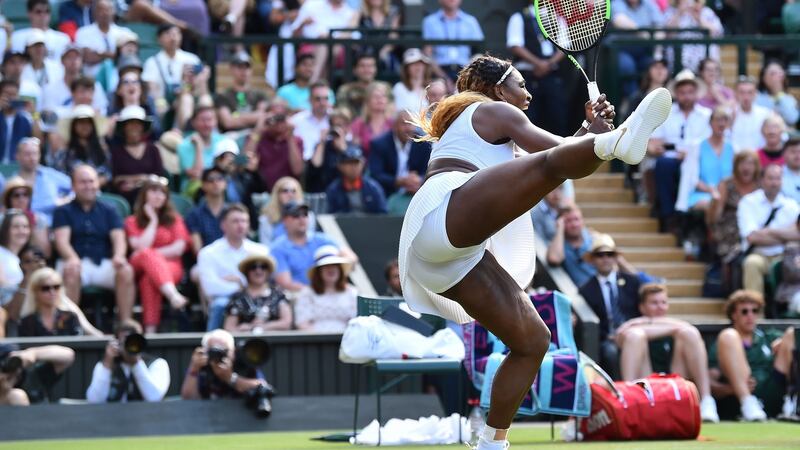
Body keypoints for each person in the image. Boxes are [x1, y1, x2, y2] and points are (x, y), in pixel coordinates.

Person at [397, 54, 670, 450]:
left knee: (533, 342)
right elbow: (554, 157)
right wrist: (602, 141)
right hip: (442, 217)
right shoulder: (491, 110)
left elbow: (552, 165)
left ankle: (493, 442)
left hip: (452, 257)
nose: (527, 93)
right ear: (497, 90)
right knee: (555, 164)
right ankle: (618, 141)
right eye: (520, 85)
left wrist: (590, 132)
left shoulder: (488, 127)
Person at [614, 283, 719, 422]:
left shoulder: (679, 329)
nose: (660, 307)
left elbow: (689, 330)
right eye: (654, 303)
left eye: (664, 302)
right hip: (647, 385)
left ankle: (706, 400)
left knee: (690, 333)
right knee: (635, 335)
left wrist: (653, 323)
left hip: (675, 382)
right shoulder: (635, 328)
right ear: (642, 307)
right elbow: (621, 335)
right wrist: (647, 322)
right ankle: (629, 400)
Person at [53, 165, 135, 320]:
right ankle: (70, 327)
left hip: (103, 262)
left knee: (126, 270)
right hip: (75, 262)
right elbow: (61, 241)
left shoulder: (109, 209)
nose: (88, 186)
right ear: (73, 186)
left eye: (91, 181)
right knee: (71, 270)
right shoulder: (63, 211)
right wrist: (71, 257)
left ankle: (125, 325)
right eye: (83, 182)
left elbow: (119, 238)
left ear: (98, 184)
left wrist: (119, 256)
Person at [709, 290, 796, 420]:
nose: (750, 316)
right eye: (744, 311)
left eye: (754, 311)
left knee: (791, 333)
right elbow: (709, 383)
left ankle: (793, 403)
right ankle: (748, 403)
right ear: (733, 315)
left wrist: (784, 342)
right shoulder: (724, 341)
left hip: (774, 392)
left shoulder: (769, 336)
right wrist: (730, 389)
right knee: (729, 336)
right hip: (741, 400)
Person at [124, 177, 190, 333]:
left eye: (162, 192)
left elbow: (178, 249)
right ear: (144, 195)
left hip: (171, 267)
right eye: (154, 191)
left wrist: (152, 255)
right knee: (146, 254)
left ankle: (150, 331)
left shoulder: (175, 220)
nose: (158, 196)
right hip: (139, 266)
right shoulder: (132, 221)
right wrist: (153, 220)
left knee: (150, 280)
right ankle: (173, 295)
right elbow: (140, 246)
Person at [647, 69, 711, 224]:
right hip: (672, 159)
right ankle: (668, 215)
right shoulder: (666, 114)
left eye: (690, 92)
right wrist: (656, 148)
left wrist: (690, 154)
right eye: (682, 92)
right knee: (662, 164)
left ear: (696, 93)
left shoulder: (707, 115)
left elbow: (708, 141)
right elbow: (654, 140)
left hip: (698, 161)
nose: (687, 96)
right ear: (676, 93)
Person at [578, 234, 642, 380]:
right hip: (607, 338)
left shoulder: (631, 281)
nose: (605, 258)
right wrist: (608, 335)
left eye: (610, 254)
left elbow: (642, 306)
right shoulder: (586, 289)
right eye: (600, 255)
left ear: (615, 258)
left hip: (633, 332)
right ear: (593, 260)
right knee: (610, 352)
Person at [197, 203, 270, 331]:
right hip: (226, 301)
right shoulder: (208, 253)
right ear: (223, 225)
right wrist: (242, 286)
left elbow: (268, 282)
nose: (241, 225)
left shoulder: (261, 251)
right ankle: (212, 344)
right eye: (235, 221)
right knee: (220, 304)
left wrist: (236, 283)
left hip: (259, 297)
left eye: (244, 221)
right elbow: (211, 288)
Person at [506, 2, 568, 135]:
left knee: (557, 118)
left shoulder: (557, 18)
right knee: (529, 118)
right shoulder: (519, 17)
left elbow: (564, 46)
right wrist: (538, 63)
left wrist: (548, 64)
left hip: (551, 76)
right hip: (526, 77)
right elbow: (515, 45)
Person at [738, 164, 800, 296]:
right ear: (761, 180)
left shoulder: (791, 205)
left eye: (778, 178)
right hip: (760, 254)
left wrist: (770, 231)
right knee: (751, 263)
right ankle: (755, 312)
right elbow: (752, 237)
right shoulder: (748, 202)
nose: (774, 183)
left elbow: (798, 234)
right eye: (770, 178)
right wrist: (787, 234)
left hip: (786, 255)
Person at [272, 201, 351, 292]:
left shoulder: (323, 239)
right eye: (296, 215)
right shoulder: (277, 248)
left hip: (330, 293)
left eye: (305, 214)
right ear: (285, 220)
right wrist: (316, 293)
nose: (302, 219)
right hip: (297, 297)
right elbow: (286, 284)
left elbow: (351, 257)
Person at [85, 319, 171, 403]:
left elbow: (155, 398)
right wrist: (107, 365)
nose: (129, 345)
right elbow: (94, 400)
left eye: (133, 341)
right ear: (117, 342)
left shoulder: (158, 364)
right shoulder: (105, 366)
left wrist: (136, 363)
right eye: (124, 341)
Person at [180, 328, 271, 400]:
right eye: (215, 351)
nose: (220, 356)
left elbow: (263, 388)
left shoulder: (243, 364)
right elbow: (188, 399)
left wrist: (231, 378)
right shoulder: (201, 367)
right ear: (206, 352)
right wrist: (193, 369)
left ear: (233, 352)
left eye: (225, 351)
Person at [677, 106, 734, 213]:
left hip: (727, 195)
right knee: (712, 204)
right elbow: (692, 178)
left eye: (725, 120)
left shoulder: (733, 148)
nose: (721, 124)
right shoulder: (697, 147)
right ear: (710, 123)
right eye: (718, 120)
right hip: (702, 195)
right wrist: (711, 190)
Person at [708, 151, 761, 265]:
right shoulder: (726, 184)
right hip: (731, 231)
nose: (746, 167)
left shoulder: (761, 185)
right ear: (736, 166)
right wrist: (715, 202)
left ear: (756, 167)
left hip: (755, 228)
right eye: (742, 163)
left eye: (750, 163)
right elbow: (714, 218)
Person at [18, 267, 103, 337]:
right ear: (35, 292)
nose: (52, 292)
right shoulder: (27, 322)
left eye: (56, 287)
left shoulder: (70, 317)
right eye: (45, 288)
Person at [224, 251, 292, 333]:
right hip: (245, 343)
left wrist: (261, 327)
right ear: (247, 271)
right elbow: (229, 327)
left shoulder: (279, 294)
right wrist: (245, 330)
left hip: (276, 342)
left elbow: (286, 323)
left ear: (268, 271)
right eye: (253, 267)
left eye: (263, 267)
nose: (258, 271)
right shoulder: (238, 297)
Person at [368, 110, 432, 198]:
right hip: (387, 194)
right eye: (404, 124)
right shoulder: (379, 144)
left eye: (411, 124)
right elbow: (376, 174)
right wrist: (399, 181)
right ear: (394, 126)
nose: (408, 128)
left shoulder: (423, 144)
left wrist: (418, 180)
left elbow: (428, 171)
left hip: (416, 194)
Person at [295, 245, 357, 332]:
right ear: (318, 271)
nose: (331, 269)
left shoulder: (352, 292)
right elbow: (302, 323)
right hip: (316, 341)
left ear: (340, 269)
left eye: (335, 265)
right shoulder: (307, 293)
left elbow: (357, 322)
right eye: (326, 266)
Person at [110, 105, 164, 206]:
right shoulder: (116, 152)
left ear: (143, 127)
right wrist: (140, 178)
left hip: (151, 196)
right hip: (125, 197)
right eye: (130, 123)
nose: (134, 127)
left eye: (137, 124)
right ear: (124, 127)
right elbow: (115, 179)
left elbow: (159, 176)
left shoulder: (153, 150)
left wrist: (142, 181)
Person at [422, 0, 484, 84]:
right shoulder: (430, 22)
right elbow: (427, 53)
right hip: (439, 71)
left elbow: (478, 52)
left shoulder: (470, 21)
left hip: (466, 70)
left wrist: (465, 76)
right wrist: (444, 78)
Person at [14, 137, 72, 226]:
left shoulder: (51, 175)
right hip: (24, 229)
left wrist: (65, 200)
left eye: (35, 153)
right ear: (17, 156)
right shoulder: (12, 182)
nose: (32, 158)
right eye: (27, 154)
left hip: (53, 228)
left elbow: (76, 187)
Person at [52, 105, 111, 185]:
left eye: (88, 122)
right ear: (74, 126)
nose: (85, 126)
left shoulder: (102, 151)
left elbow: (108, 174)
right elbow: (59, 177)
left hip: (100, 193)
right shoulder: (64, 153)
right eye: (81, 122)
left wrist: (94, 185)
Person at [0, 343, 75, 405]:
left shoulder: (33, 375)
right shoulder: (15, 395)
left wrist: (33, 353)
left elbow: (68, 355)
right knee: (16, 396)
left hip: (41, 420)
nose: (11, 369)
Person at [214, 52, 271, 134]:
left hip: (255, 136)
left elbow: (262, 116)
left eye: (247, 67)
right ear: (231, 69)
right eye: (240, 67)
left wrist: (236, 117)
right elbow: (228, 123)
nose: (244, 71)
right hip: (232, 138)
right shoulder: (223, 96)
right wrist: (253, 117)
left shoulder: (260, 94)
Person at [74, 0, 133, 78]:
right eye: (101, 9)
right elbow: (87, 57)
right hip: (92, 81)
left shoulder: (125, 33)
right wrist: (116, 55)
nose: (105, 13)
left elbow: (129, 57)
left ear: (114, 11)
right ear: (94, 12)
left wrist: (98, 53)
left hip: (120, 81)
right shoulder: (83, 32)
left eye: (108, 9)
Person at [326, 146, 387, 214]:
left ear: (363, 164)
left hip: (370, 224)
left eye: (356, 162)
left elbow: (383, 214)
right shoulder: (333, 190)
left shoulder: (373, 188)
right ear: (340, 166)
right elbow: (329, 216)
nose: (353, 167)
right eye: (349, 163)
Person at [546, 205, 597, 287]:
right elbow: (554, 259)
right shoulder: (559, 243)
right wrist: (559, 229)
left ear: (583, 221)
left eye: (577, 219)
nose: (574, 224)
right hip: (579, 295)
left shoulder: (594, 239)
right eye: (568, 221)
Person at [177, 105, 225, 192]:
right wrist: (199, 147)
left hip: (220, 186)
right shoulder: (184, 146)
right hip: (195, 191)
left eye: (210, 120)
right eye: (202, 120)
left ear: (216, 121)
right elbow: (197, 175)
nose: (206, 124)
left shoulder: (223, 141)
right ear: (193, 122)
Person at [0, 178, 50, 258]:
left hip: (31, 264)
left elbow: (46, 253)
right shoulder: (1, 219)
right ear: (8, 199)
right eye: (16, 195)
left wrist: (31, 225)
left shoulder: (39, 219)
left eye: (25, 195)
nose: (21, 199)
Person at [258, 177, 317, 244]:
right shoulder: (267, 218)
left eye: (294, 191)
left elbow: (309, 240)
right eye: (285, 191)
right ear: (277, 194)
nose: (290, 194)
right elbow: (265, 245)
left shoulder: (308, 216)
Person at [186, 167, 229, 253]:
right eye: (210, 180)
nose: (215, 183)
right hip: (206, 261)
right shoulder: (194, 214)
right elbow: (197, 249)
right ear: (203, 185)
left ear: (225, 184)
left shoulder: (232, 212)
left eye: (219, 179)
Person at [349, 82, 393, 158]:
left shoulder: (393, 123)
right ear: (368, 101)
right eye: (376, 96)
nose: (380, 99)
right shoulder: (358, 124)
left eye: (383, 96)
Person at [291, 81, 332, 161]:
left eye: (326, 98)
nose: (322, 103)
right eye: (318, 99)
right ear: (309, 100)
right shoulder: (297, 120)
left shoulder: (336, 119)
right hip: (304, 166)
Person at [731, 76, 772, 153]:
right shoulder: (729, 114)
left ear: (755, 94)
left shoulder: (765, 114)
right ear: (736, 93)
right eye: (742, 93)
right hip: (735, 159)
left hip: (759, 160)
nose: (746, 97)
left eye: (750, 92)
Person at [0, 211, 32, 306]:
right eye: (16, 227)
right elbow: (2, 286)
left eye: (25, 227)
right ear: (5, 230)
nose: (22, 231)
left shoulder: (20, 258)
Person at [755, 60, 799, 128]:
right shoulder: (756, 97)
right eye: (773, 74)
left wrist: (778, 94)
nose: (776, 78)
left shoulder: (789, 99)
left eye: (780, 74)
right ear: (763, 77)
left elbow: (792, 119)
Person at [0, 80, 34, 164]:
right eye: (7, 94)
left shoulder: (25, 119)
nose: (11, 98)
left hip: (17, 166)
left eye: (14, 95)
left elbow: (37, 140)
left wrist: (34, 113)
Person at [392, 49, 432, 116]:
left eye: (421, 64)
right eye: (413, 64)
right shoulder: (399, 88)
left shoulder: (431, 88)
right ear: (406, 68)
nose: (418, 67)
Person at [781, 137, 800, 204]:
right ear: (784, 154)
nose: (797, 156)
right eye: (793, 152)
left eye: (799, 152)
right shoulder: (777, 175)